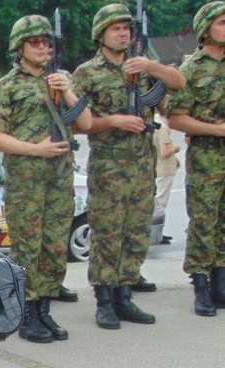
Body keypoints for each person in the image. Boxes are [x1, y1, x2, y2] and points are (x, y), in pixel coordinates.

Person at [73, 4, 184, 329]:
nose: (123, 34)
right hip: (108, 168)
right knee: (107, 234)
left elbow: (178, 83)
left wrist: (151, 65)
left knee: (136, 233)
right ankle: (105, 301)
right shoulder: (87, 73)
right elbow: (77, 123)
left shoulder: (144, 68)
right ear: (101, 35)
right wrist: (113, 121)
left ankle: (125, 295)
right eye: (116, 28)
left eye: (126, 28)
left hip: (142, 166)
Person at [0, 15, 92, 343]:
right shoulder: (7, 86)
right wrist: (35, 149)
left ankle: (44, 309)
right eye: (35, 42)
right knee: (28, 249)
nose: (43, 48)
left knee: (55, 246)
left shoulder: (62, 79)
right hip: (26, 183)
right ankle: (26, 313)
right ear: (20, 48)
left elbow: (86, 123)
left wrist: (67, 92)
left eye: (47, 42)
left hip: (59, 180)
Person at [167, 1, 225, 316]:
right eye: (222, 22)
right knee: (204, 222)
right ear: (205, 29)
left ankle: (220, 283)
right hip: (207, 158)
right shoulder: (191, 70)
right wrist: (216, 129)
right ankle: (201, 285)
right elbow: (176, 118)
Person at [153, 97, 180, 246]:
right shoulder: (163, 128)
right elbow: (164, 152)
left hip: (157, 167)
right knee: (160, 203)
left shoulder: (155, 121)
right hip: (165, 169)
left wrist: (175, 159)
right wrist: (176, 149)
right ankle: (157, 233)